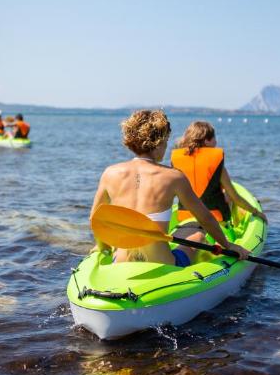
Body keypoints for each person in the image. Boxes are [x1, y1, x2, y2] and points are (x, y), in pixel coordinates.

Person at [89, 110, 248, 266]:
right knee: (198, 236)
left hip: (121, 262)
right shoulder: (173, 177)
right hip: (162, 263)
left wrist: (103, 247)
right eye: (165, 140)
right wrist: (228, 245)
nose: (166, 145)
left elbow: (95, 219)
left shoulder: (109, 173)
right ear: (158, 143)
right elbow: (205, 218)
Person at [170, 121, 266, 262]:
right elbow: (235, 197)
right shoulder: (215, 162)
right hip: (215, 226)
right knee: (228, 198)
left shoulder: (177, 160)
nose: (216, 142)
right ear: (207, 140)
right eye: (214, 138)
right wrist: (256, 212)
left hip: (185, 223)